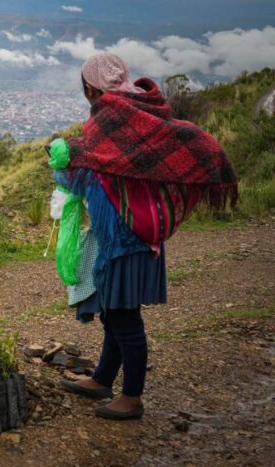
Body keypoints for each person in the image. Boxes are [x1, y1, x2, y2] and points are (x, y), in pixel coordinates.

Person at [49, 53, 238, 420]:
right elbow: (116, 162)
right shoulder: (141, 114)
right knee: (114, 312)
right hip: (130, 235)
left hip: (126, 239)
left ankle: (132, 397)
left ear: (90, 86)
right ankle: (103, 378)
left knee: (124, 319)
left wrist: (65, 161)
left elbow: (91, 168)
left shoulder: (110, 119)